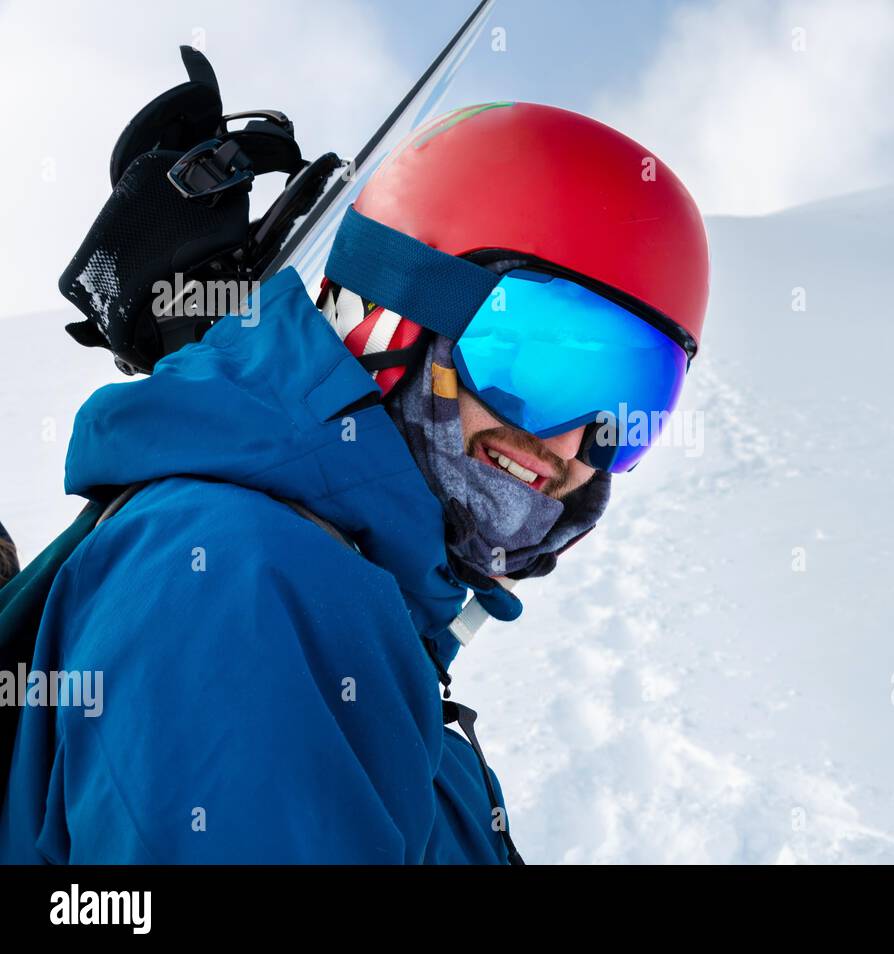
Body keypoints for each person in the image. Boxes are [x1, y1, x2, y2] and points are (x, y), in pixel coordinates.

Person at [0, 102, 708, 864]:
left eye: (635, 400)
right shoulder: (243, 582)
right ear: (395, 316)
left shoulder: (369, 619)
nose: (573, 443)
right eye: (540, 364)